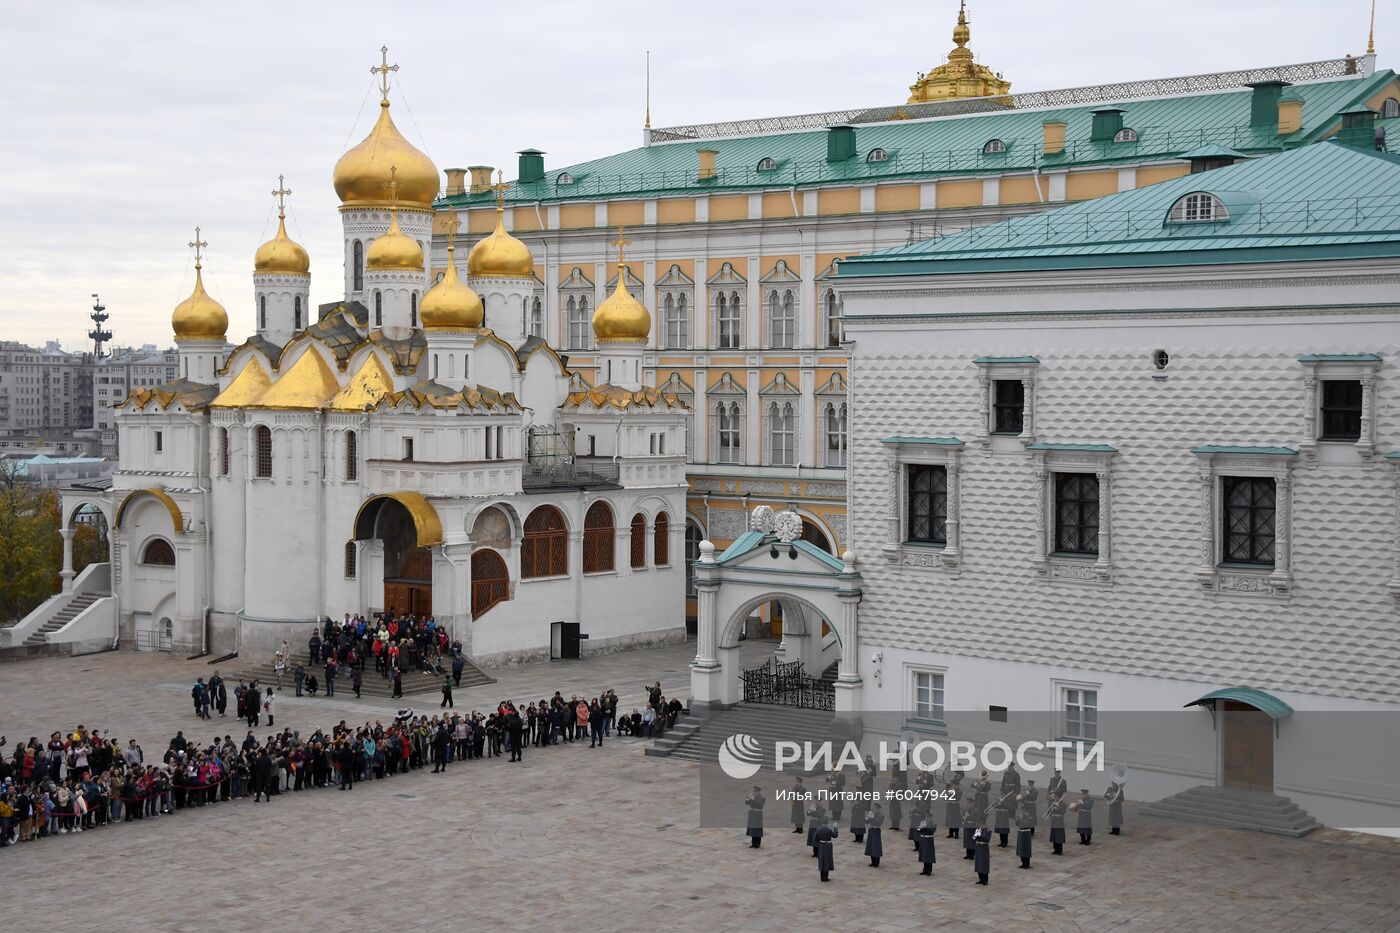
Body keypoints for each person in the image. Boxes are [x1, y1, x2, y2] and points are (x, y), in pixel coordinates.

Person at [864, 802, 884, 867]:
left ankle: (876, 862)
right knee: (871, 845)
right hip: (871, 830)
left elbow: (878, 823)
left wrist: (871, 818)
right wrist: (867, 818)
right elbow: (866, 822)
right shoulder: (871, 813)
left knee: (876, 846)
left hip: (876, 830)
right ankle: (872, 861)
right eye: (874, 808)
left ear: (878, 809)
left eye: (876, 808)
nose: (874, 809)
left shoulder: (880, 815)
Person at [1016, 803, 1034, 869]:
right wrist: (1017, 819)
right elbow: (1017, 824)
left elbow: (1027, 824)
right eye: (1022, 810)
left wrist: (1021, 819)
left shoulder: (1029, 817)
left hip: (1026, 834)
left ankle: (1027, 863)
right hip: (1021, 833)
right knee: (1021, 849)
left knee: (1025, 849)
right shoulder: (1022, 816)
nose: (1023, 811)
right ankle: (1023, 862)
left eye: (1024, 810)